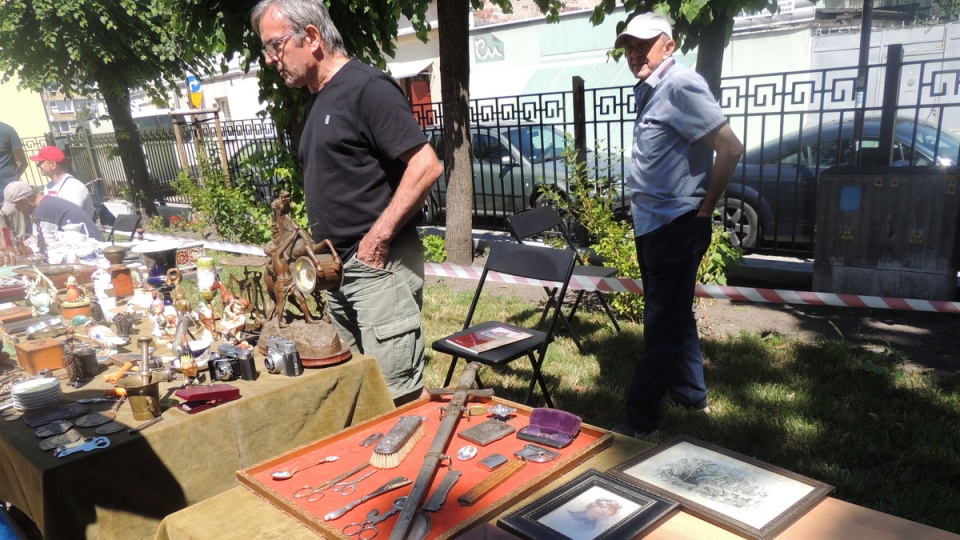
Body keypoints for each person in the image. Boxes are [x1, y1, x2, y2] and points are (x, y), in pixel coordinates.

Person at [251, 0, 443, 406]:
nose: (270, 60)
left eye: (275, 46)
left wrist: (376, 241)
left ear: (312, 37)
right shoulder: (317, 98)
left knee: (396, 400)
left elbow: (426, 166)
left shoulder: (367, 89)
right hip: (336, 273)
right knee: (359, 395)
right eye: (266, 50)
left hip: (377, 268)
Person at [611, 13, 744, 439]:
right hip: (653, 224)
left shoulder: (680, 85)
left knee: (661, 325)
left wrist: (704, 212)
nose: (634, 54)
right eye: (629, 47)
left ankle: (639, 421)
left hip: (676, 223)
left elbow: (730, 148)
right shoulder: (652, 91)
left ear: (669, 45)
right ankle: (690, 394)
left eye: (643, 44)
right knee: (673, 316)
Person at [1, 181, 105, 241]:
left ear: (25, 200)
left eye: (17, 206)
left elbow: (41, 242)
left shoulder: (43, 210)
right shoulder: (47, 203)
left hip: (91, 248)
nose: (18, 210)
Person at [31, 145, 96, 218]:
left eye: (41, 162)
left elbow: (73, 217)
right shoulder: (48, 187)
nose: (38, 165)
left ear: (53, 164)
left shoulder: (74, 187)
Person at [0, 121, 29, 237]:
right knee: (3, 240)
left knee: (21, 236)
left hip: (11, 196)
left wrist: (12, 184)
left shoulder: (6, 131)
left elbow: (22, 162)